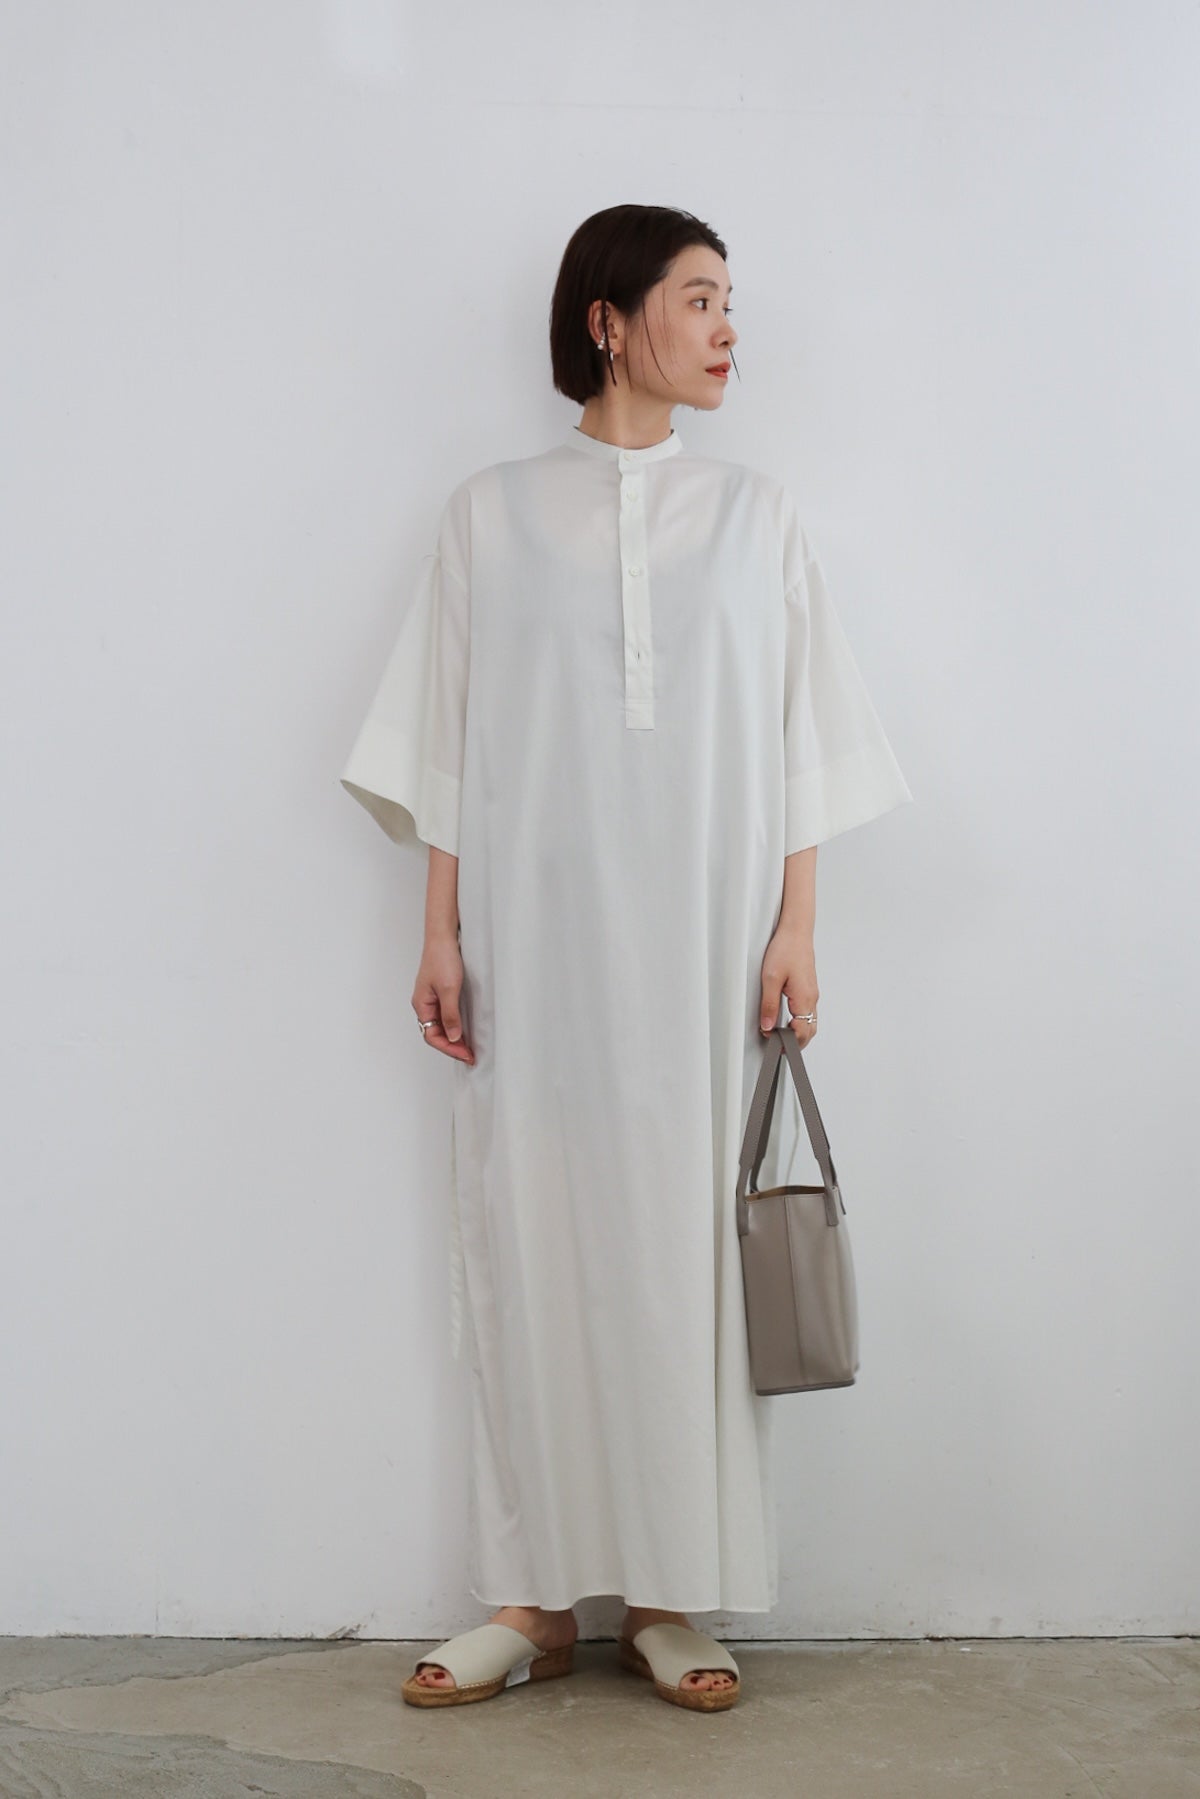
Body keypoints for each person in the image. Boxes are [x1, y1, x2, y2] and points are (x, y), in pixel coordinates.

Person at [340, 204, 913, 1712]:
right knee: (529, 1241)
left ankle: (667, 1594)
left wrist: (797, 925)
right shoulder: (488, 515)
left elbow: (800, 739)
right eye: (698, 298)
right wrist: (438, 931)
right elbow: (449, 739)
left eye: (732, 302)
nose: (729, 329)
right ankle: (532, 1601)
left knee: (685, 1258)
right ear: (609, 318)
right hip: (537, 947)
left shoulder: (756, 517)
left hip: (709, 949)